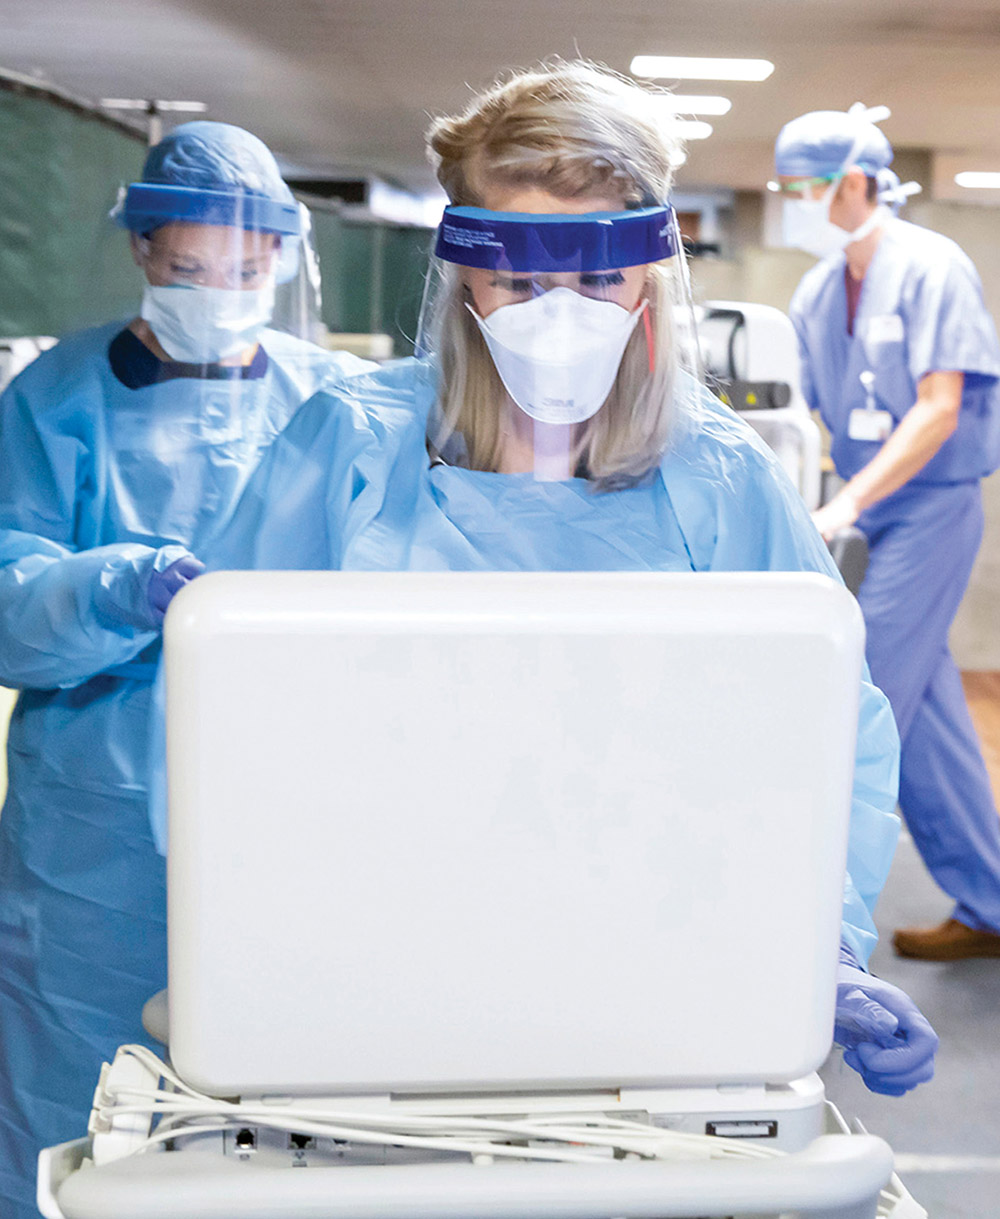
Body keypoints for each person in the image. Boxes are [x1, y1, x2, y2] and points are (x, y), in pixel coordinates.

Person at [198, 63, 936, 1100]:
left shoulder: (715, 476)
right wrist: (254, 947)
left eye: (595, 279)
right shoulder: (350, 451)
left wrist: (826, 945)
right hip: (372, 976)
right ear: (462, 275)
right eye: (519, 279)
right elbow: (213, 726)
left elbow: (828, 732)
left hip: (651, 969)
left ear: (647, 276)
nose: (558, 316)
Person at [0, 120, 372, 1216]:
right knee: (73, 1102)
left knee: (281, 1101)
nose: (222, 290)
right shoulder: (55, 401)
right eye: (193, 268)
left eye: (249, 269)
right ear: (144, 252)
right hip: (95, 825)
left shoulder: (332, 402)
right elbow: (10, 604)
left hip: (293, 805)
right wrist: (120, 586)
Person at [775, 105, 1000, 961]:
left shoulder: (934, 267)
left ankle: (821, 940)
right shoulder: (817, 288)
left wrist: (848, 502)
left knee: (863, 706)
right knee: (931, 712)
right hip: (865, 502)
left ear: (856, 183)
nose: (795, 205)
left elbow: (939, 409)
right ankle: (990, 904)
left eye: (803, 190)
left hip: (931, 505)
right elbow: (794, 402)